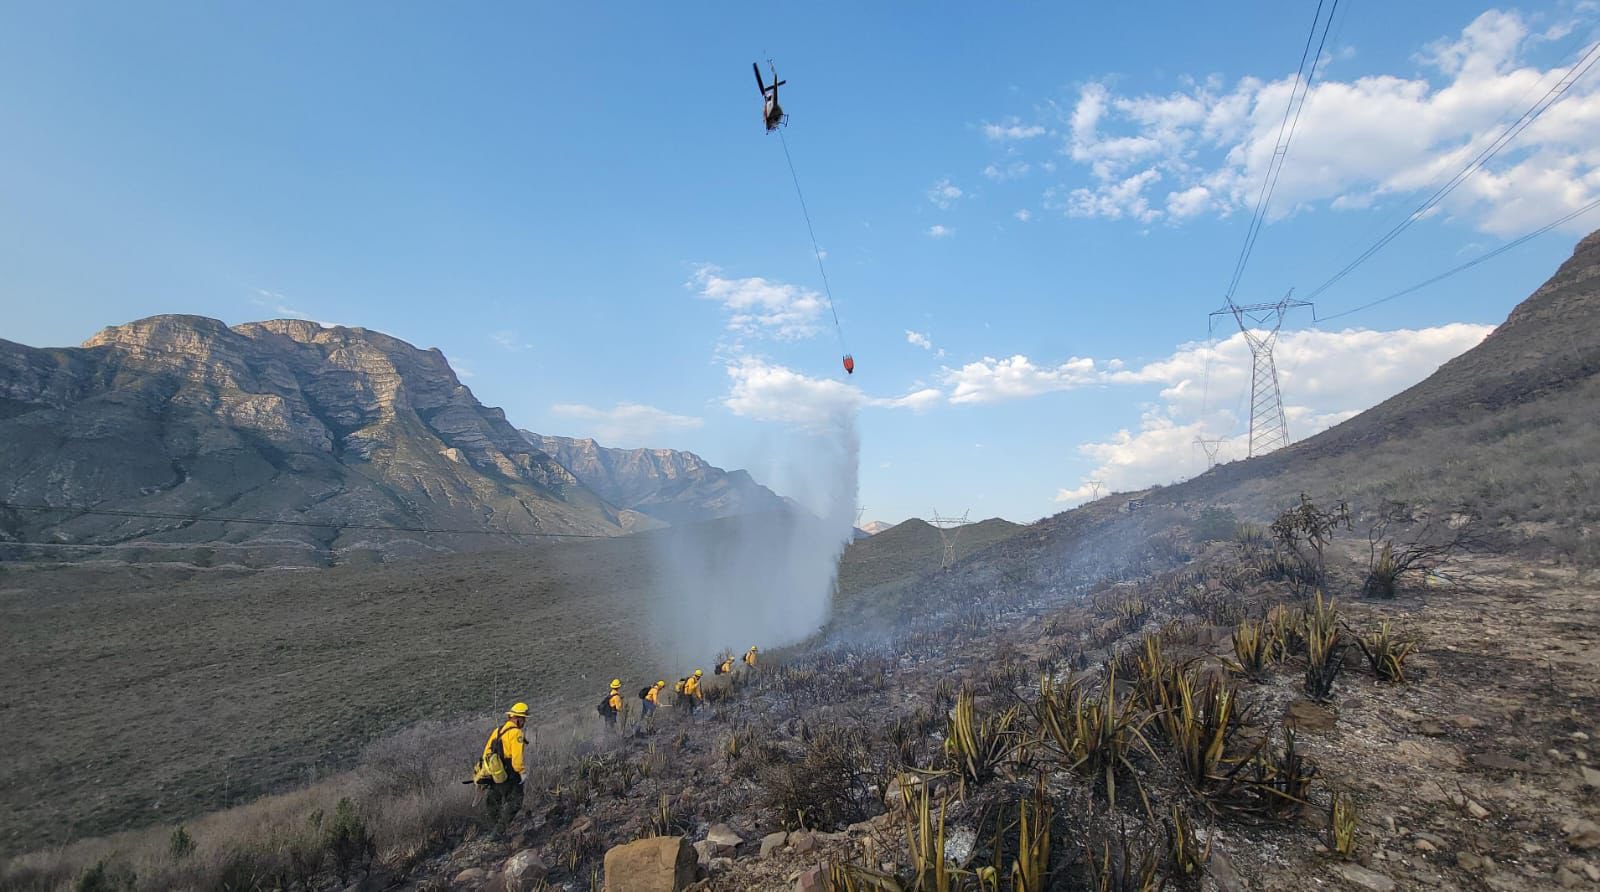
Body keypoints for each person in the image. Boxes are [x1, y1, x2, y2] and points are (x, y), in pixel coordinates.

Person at [481, 702, 528, 832]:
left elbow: (486, 753)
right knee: (516, 802)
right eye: (523, 719)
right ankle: (499, 832)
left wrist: (489, 771)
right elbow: (517, 759)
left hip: (495, 774)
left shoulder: (497, 731)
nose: (524, 722)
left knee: (493, 803)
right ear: (518, 719)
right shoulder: (517, 733)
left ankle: (493, 830)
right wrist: (522, 772)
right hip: (510, 775)